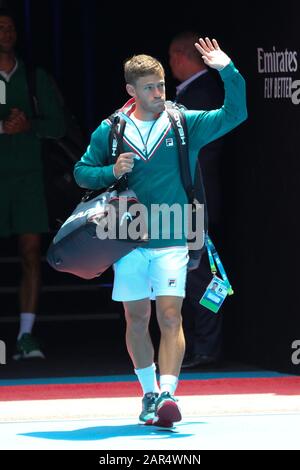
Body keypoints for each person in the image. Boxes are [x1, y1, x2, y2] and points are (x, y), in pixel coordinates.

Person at [74, 37, 247, 427]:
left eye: (162, 85)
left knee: (170, 316)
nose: (158, 93)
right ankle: (148, 392)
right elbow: (81, 172)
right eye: (149, 87)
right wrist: (109, 172)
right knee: (136, 319)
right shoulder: (112, 130)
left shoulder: (184, 123)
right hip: (127, 238)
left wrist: (227, 70)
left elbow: (236, 113)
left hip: (172, 237)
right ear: (130, 91)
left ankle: (169, 393)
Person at [0, 8, 65, 360]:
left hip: (27, 179)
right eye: (0, 28)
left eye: (10, 27)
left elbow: (58, 125)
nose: (6, 33)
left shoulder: (33, 77)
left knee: (30, 255)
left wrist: (31, 126)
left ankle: (26, 335)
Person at [169, 31, 226, 368]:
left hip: (196, 201)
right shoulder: (191, 92)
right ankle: (198, 345)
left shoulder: (202, 93)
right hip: (187, 202)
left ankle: (207, 347)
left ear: (179, 56)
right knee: (190, 276)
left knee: (202, 275)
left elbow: (198, 151)